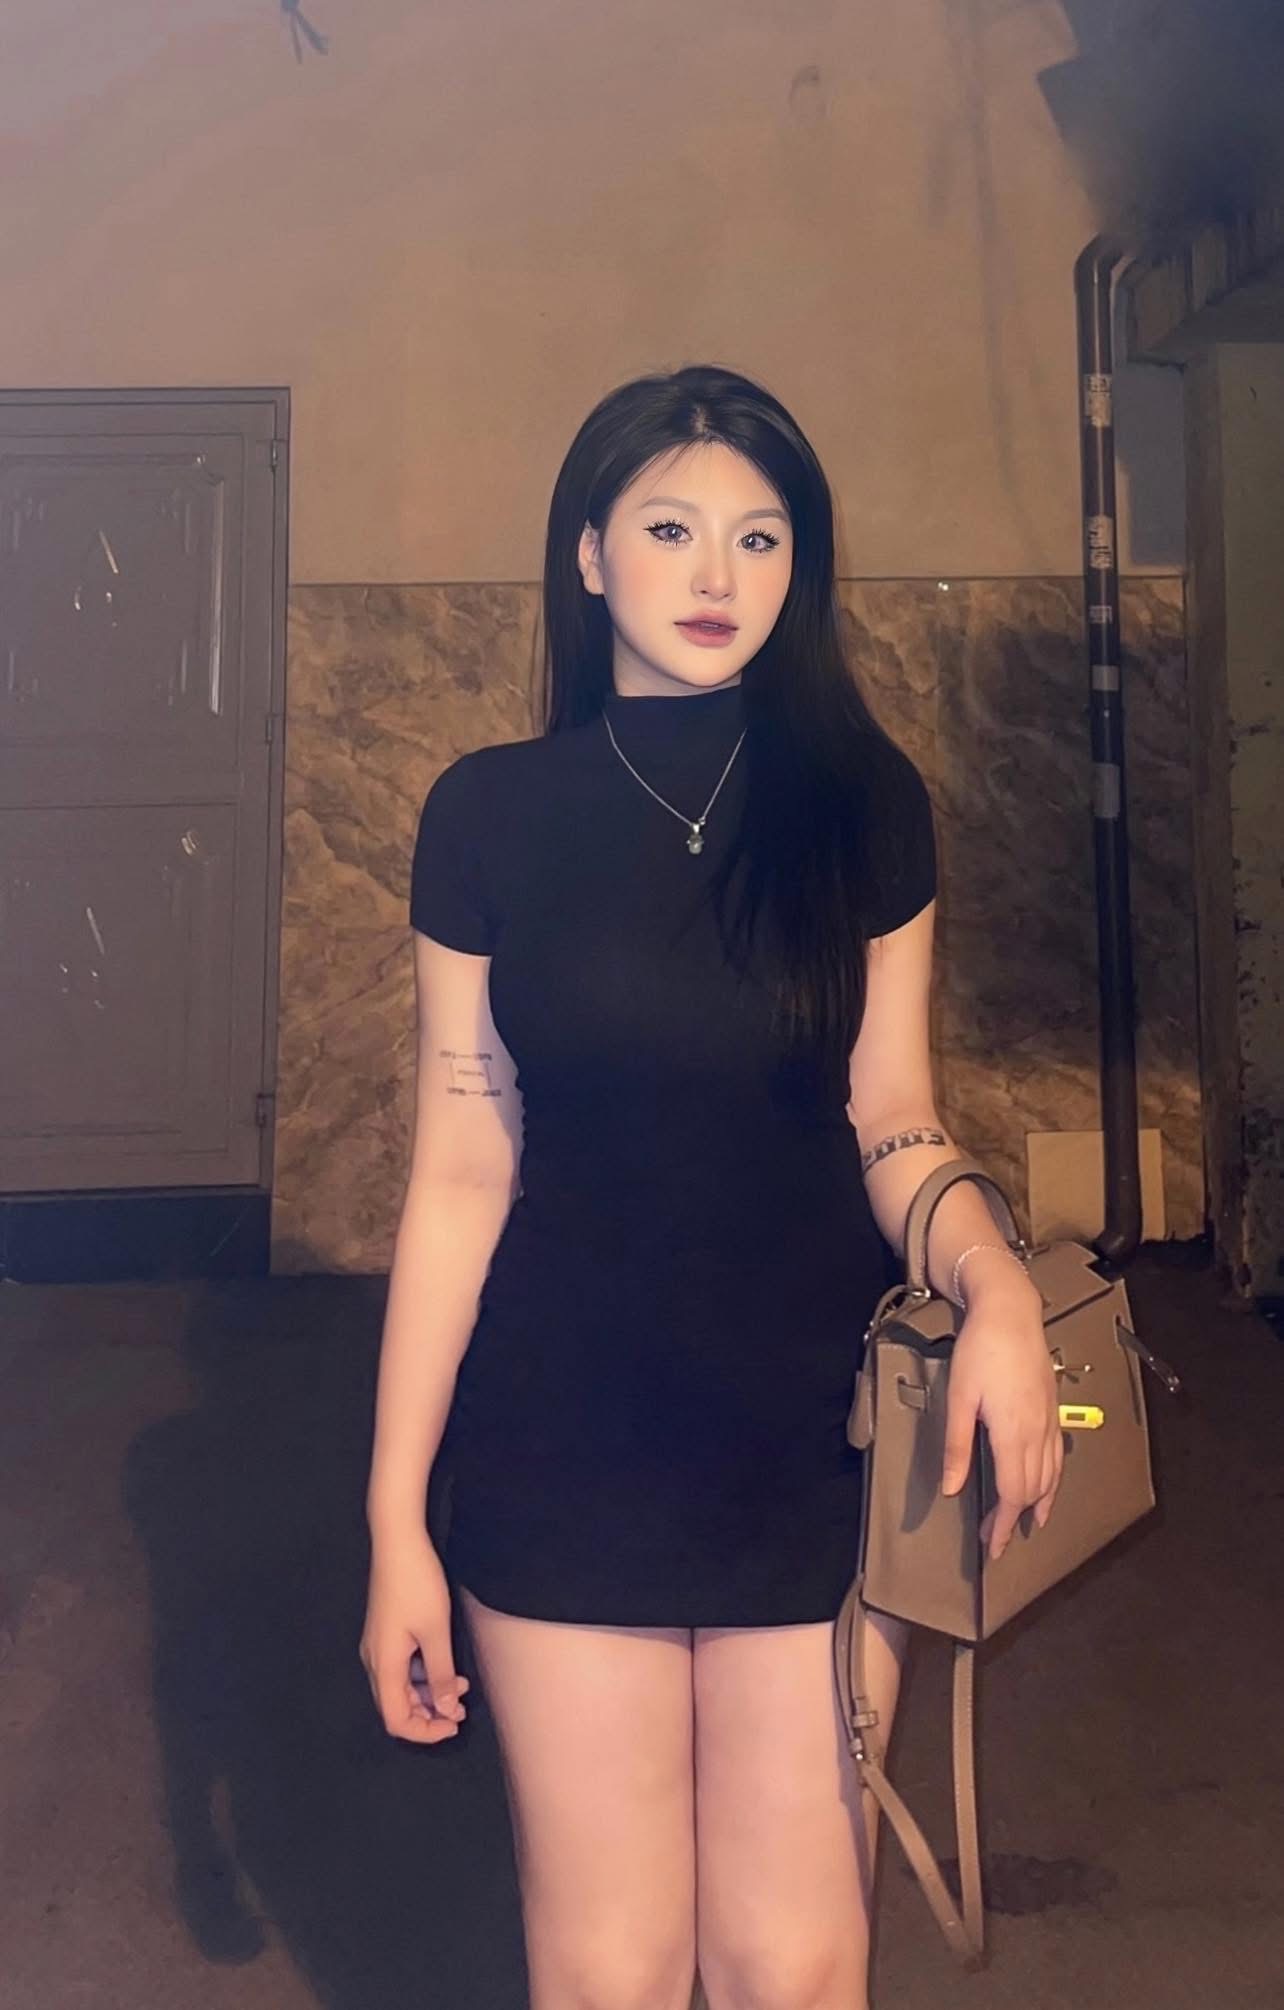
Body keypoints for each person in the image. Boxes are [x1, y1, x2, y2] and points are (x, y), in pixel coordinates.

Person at [360, 363, 1062, 2010]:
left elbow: (894, 1118)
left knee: (793, 1964)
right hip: (563, 1443)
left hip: (816, 1446)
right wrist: (394, 1519)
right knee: (611, 1971)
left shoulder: (862, 805)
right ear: (589, 553)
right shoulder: (489, 816)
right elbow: (461, 1167)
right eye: (672, 528)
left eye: (760, 536)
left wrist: (999, 1283)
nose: (716, 574)